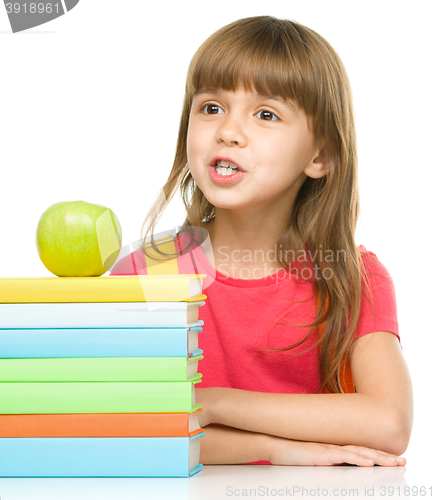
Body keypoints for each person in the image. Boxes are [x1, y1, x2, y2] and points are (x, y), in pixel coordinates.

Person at [110, 15, 413, 467]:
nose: (228, 131)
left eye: (266, 114)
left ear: (320, 155)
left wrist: (211, 403)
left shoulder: (352, 276)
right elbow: (127, 429)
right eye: (211, 107)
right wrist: (273, 449)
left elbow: (388, 423)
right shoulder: (147, 271)